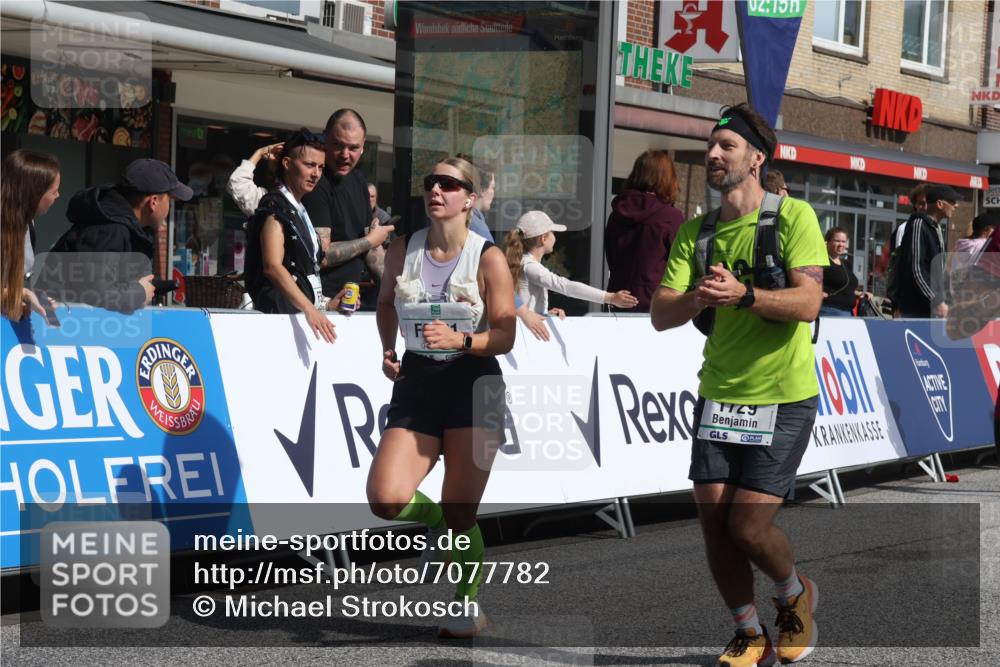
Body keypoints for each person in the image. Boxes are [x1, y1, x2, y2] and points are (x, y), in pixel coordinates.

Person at [652, 103, 826, 667]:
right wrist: (699, 296)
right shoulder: (696, 232)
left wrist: (746, 295)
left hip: (783, 396)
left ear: (756, 158)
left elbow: (808, 302)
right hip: (719, 395)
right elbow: (660, 313)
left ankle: (793, 592)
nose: (713, 154)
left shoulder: (792, 217)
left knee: (749, 527)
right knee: (714, 527)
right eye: (711, 144)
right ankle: (749, 632)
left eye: (727, 145)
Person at [368, 156, 516, 638]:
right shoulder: (402, 250)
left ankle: (466, 603)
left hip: (476, 386)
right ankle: (440, 526)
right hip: (417, 383)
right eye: (431, 182)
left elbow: (506, 334)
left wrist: (462, 341)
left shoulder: (487, 257)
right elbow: (387, 302)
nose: (436, 190)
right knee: (385, 498)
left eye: (449, 184)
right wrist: (388, 347)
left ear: (469, 199)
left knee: (462, 513)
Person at [39, 159, 192, 314]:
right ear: (153, 202)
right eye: (169, 201)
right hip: (63, 328)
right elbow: (94, 292)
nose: (170, 208)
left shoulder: (124, 228)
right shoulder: (109, 230)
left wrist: (150, 287)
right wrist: (139, 292)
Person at [243, 129, 337, 343]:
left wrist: (327, 304)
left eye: (321, 167)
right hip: (279, 318)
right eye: (309, 165)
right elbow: (273, 266)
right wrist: (308, 309)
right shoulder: (275, 204)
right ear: (287, 163)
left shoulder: (298, 206)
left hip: (297, 316)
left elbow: (305, 273)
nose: (316, 174)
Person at [456, 152, 554, 341]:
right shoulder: (473, 222)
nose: (494, 192)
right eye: (493, 186)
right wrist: (525, 313)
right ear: (480, 190)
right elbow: (497, 278)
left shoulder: (465, 220)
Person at [304, 109, 392, 305]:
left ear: (362, 148)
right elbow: (322, 255)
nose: (345, 155)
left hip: (349, 300)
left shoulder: (358, 181)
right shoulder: (315, 182)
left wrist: (398, 293)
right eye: (338, 145)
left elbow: (372, 251)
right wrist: (369, 241)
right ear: (325, 140)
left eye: (353, 148)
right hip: (317, 303)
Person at [508, 211, 637, 316]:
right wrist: (610, 297)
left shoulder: (525, 263)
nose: (555, 236)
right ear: (543, 238)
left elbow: (526, 304)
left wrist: (545, 314)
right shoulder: (530, 266)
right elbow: (566, 286)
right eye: (552, 232)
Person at [605, 150, 685, 312]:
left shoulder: (617, 212)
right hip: (656, 303)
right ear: (668, 178)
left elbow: (611, 255)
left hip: (618, 297)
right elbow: (680, 263)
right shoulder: (670, 216)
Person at [1, 149, 60, 321]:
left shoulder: (27, 224)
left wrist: (32, 297)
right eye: (53, 191)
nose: (58, 195)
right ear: (34, 193)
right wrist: (21, 294)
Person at [893, 184, 958, 318]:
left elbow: (938, 269)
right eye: (952, 202)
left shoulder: (936, 229)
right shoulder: (918, 225)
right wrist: (937, 301)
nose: (956, 206)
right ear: (940, 204)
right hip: (917, 309)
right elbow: (916, 269)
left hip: (931, 309)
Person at [227, 141, 284, 217]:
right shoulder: (270, 199)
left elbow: (238, 181)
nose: (275, 159)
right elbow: (238, 182)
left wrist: (259, 153)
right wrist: (260, 153)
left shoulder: (270, 201)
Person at [820, 227, 862, 317]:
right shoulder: (822, 262)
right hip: (830, 311)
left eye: (843, 241)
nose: (841, 244)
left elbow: (846, 286)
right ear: (827, 242)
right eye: (837, 241)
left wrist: (860, 294)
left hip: (848, 313)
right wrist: (818, 292)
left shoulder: (845, 264)